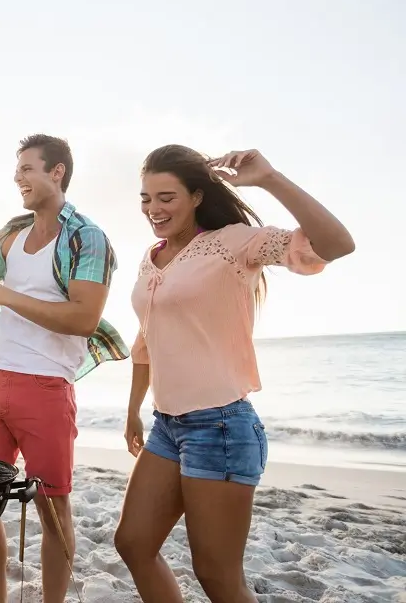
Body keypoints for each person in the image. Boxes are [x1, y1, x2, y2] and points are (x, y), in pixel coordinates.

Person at [114, 145, 355, 603]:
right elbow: (146, 340)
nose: (153, 209)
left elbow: (336, 245)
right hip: (167, 426)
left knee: (218, 577)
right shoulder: (152, 258)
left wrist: (269, 178)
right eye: (146, 198)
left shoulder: (233, 242)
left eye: (166, 197)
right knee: (133, 544)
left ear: (197, 196)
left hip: (220, 426)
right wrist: (133, 411)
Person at [0, 134, 130, 603]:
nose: (18, 177)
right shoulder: (12, 232)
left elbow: (84, 317)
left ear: (57, 172)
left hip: (46, 387)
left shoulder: (87, 237)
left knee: (53, 509)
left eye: (27, 168)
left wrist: (6, 295)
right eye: (17, 169)